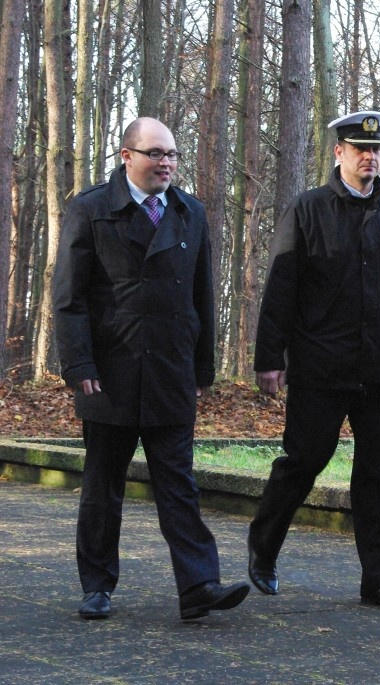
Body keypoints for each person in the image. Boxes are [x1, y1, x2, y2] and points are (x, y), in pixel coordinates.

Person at [53, 117, 250, 621]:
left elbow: (201, 298)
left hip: (170, 371)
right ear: (127, 157)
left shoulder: (190, 212)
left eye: (173, 155)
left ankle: (200, 586)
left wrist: (200, 371)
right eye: (155, 153)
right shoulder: (91, 208)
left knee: (178, 484)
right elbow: (69, 299)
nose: (166, 163)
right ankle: (97, 585)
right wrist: (78, 363)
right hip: (109, 373)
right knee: (103, 486)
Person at [247, 111, 380, 610]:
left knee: (379, 474)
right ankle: (262, 550)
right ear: (339, 153)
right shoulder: (307, 210)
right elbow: (280, 291)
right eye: (359, 148)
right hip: (320, 367)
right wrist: (270, 359)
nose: (369, 157)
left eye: (377, 149)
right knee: (303, 462)